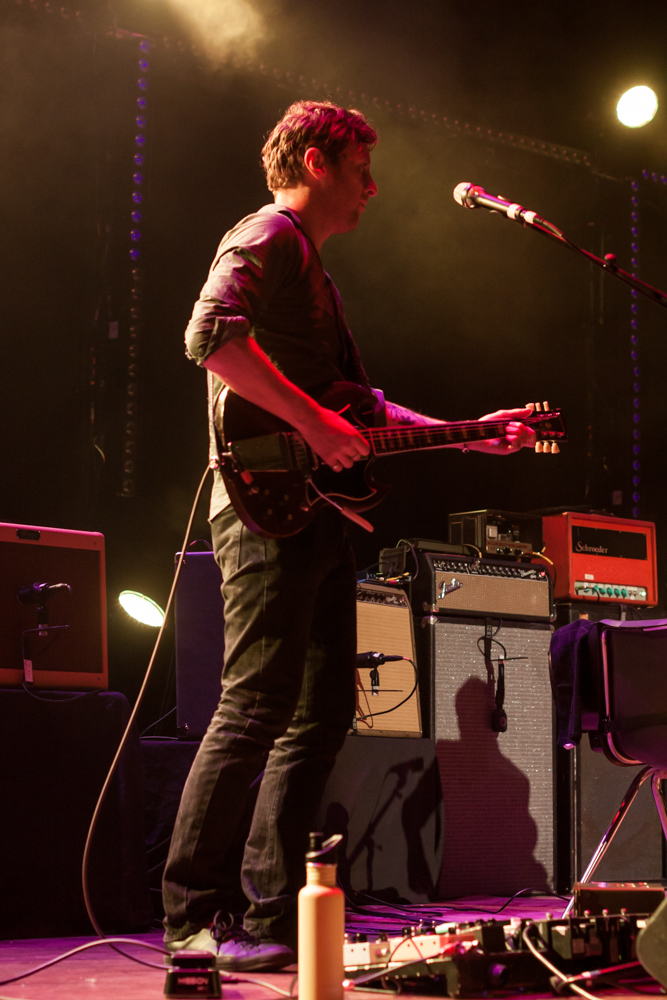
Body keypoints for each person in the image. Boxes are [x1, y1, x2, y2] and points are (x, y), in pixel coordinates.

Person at [162, 99, 536, 972]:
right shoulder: (268, 233)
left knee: (319, 715)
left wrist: (467, 428)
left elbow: (359, 413)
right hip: (265, 507)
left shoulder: (314, 275)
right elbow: (209, 337)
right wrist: (313, 426)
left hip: (316, 512)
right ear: (318, 160)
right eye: (362, 166)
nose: (374, 185)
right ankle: (188, 916)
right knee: (254, 706)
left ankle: (264, 920)